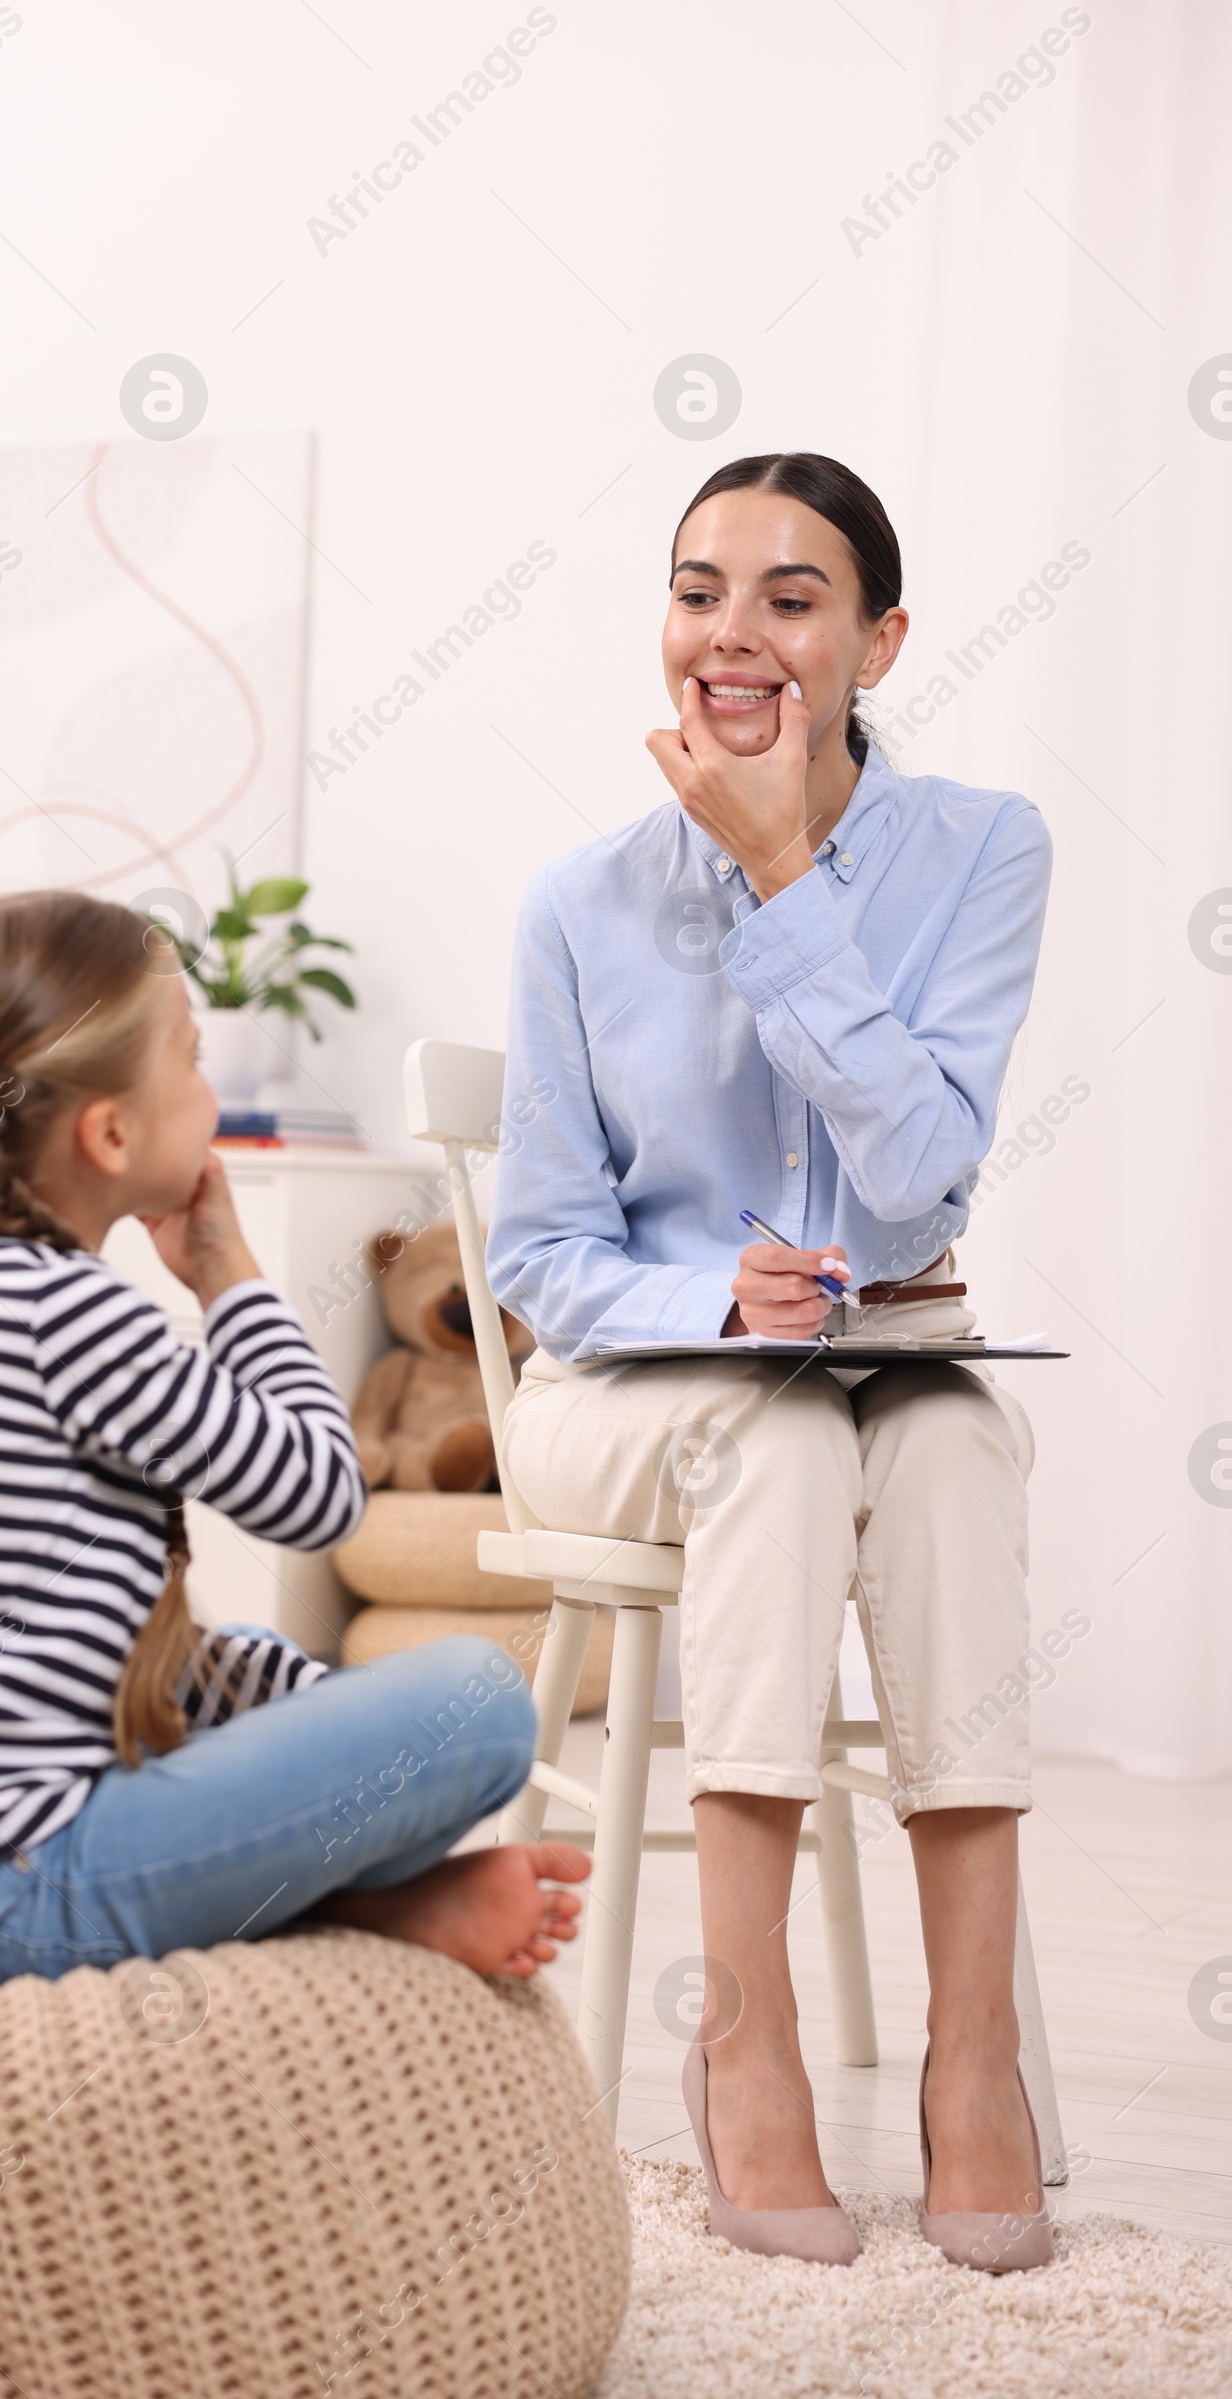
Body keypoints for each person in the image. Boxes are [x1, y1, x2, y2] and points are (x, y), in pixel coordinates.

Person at [487, 452, 1055, 2271]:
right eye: (698, 588)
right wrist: (709, 1305)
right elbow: (541, 1259)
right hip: (631, 1399)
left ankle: (980, 2068)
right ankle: (746, 2043)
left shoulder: (986, 849)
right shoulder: (578, 905)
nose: (732, 633)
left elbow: (911, 1187)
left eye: (792, 598)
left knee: (958, 1450)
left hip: (892, 1367)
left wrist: (782, 871)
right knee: (779, 1450)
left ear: (877, 639)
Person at [0, 890, 588, 1987]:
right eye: (191, 1063)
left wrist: (317, 1714)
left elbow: (145, 1659)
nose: (210, 1097)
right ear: (109, 1133)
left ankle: (372, 1900)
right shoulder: (67, 1313)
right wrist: (226, 1273)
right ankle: (369, 1903)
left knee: (304, 1697)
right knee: (479, 1704)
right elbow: (322, 1494)